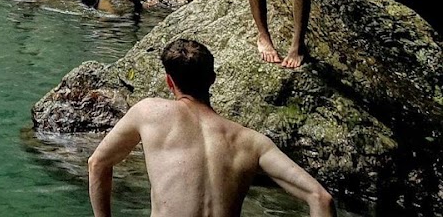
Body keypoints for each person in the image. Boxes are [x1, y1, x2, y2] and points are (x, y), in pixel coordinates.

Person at [87, 38, 335, 216]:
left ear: (169, 82)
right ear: (212, 80)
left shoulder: (149, 112)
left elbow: (98, 163)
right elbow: (321, 198)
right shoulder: (252, 142)